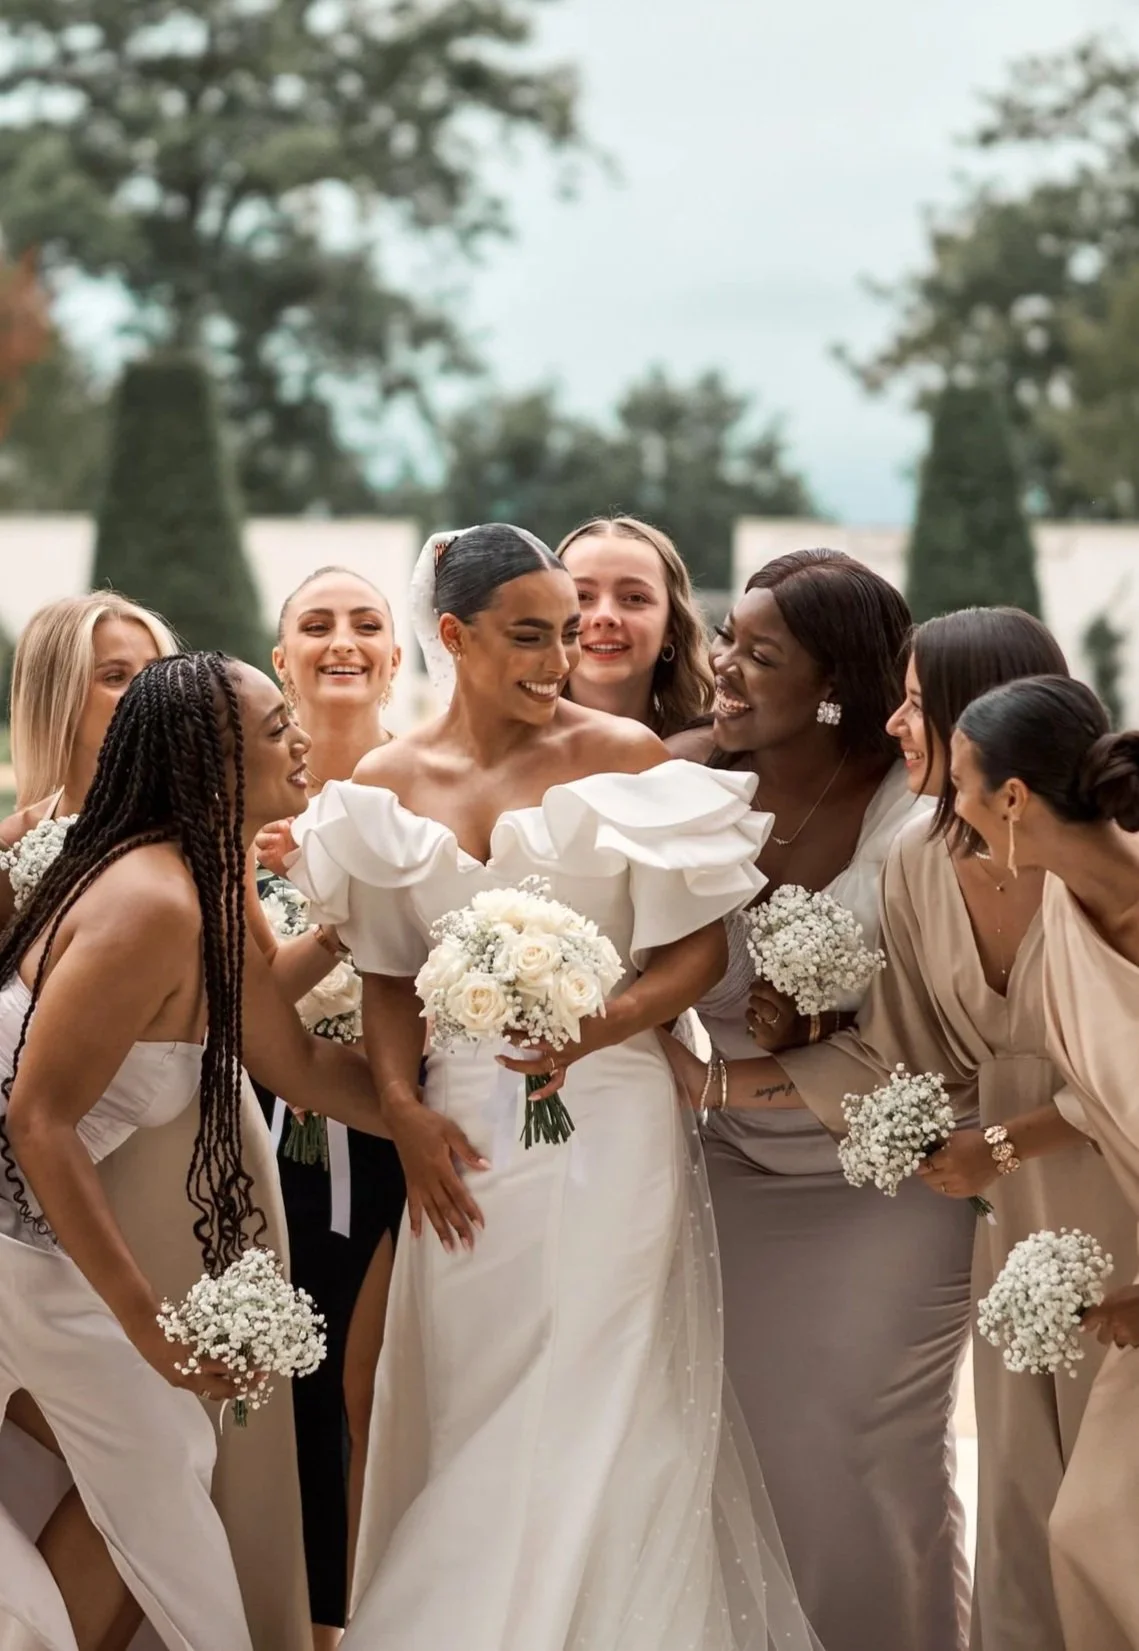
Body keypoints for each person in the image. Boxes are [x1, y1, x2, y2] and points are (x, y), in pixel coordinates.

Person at [289, 524, 822, 1650]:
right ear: (452, 636)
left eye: (566, 635)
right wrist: (403, 1110)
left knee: (598, 1379)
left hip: (612, 1112)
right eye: (529, 636)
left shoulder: (623, 754)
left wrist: (598, 1025)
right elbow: (386, 974)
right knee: (475, 1385)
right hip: (461, 1128)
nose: (557, 660)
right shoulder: (385, 782)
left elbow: (695, 955)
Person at [664, 608, 1137, 1651]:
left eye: (916, 703)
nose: (892, 723)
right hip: (1009, 1219)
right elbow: (896, 1058)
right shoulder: (920, 862)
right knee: (1021, 1499)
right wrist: (710, 1082)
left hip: (1116, 1183)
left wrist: (996, 1145)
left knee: (1110, 1515)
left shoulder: (1103, 868)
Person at [0, 653, 405, 1651]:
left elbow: (297, 1063)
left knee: (161, 1483)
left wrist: (450, 1112)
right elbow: (37, 1120)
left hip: (27, 1247)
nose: (299, 740)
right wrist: (146, 1324)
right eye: (274, 728)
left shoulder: (197, 884)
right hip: (18, 1250)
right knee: (165, 1482)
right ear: (209, 760)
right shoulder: (153, 900)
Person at [667, 550, 975, 1651]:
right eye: (726, 640)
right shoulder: (678, 781)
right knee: (747, 1446)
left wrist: (738, 1063)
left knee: (867, 1450)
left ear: (834, 683)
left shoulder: (918, 808)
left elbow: (940, 1023)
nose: (723, 668)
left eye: (760, 655)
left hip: (893, 1174)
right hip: (730, 1165)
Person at [952, 674, 1139, 1651]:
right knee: (1090, 1530)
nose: (954, 809)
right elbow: (1102, 1089)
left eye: (960, 785)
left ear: (1013, 797)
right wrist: (998, 1145)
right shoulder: (1062, 912)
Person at [252, 567, 408, 1647]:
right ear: (282, 660)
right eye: (316, 624)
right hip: (273, 1135)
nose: (341, 640)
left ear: (398, 657)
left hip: (406, 1128)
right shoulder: (248, 802)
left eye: (365, 624)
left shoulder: (429, 790)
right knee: (288, 1393)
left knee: (380, 1391)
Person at [557, 514, 714, 737]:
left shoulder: (712, 752)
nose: (605, 616)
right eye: (581, 596)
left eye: (634, 598)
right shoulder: (506, 747)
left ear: (672, 626)